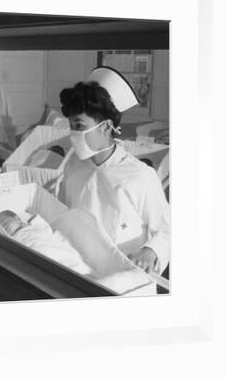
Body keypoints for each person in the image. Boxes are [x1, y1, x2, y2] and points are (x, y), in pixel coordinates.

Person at [57, 66, 170, 277]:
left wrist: (150, 251)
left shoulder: (139, 175)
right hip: (79, 268)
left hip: (123, 275)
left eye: (79, 126)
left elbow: (167, 230)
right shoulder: (73, 164)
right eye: (71, 125)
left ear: (106, 127)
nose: (73, 134)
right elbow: (64, 213)